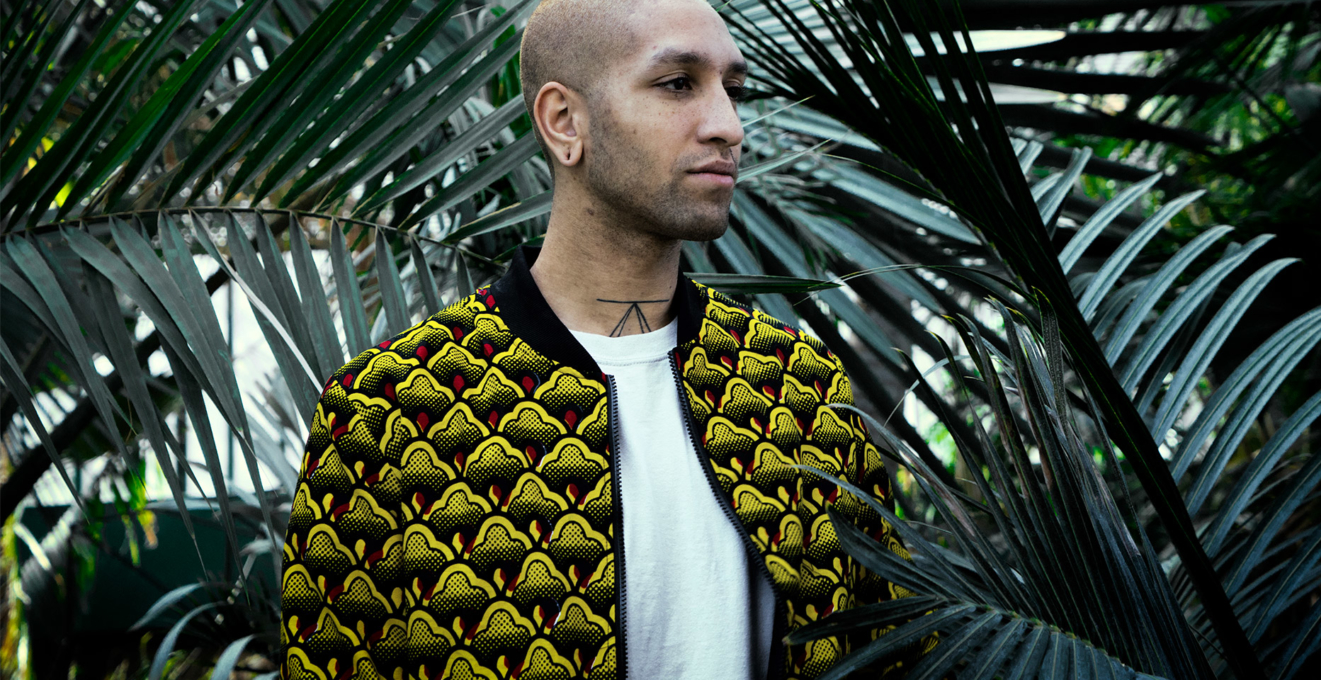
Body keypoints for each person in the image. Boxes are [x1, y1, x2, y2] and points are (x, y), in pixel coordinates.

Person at [279, 0, 905, 678]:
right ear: (564, 121)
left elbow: (892, 648)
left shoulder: (796, 385)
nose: (729, 125)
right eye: (678, 83)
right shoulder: (391, 410)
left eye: (733, 89)